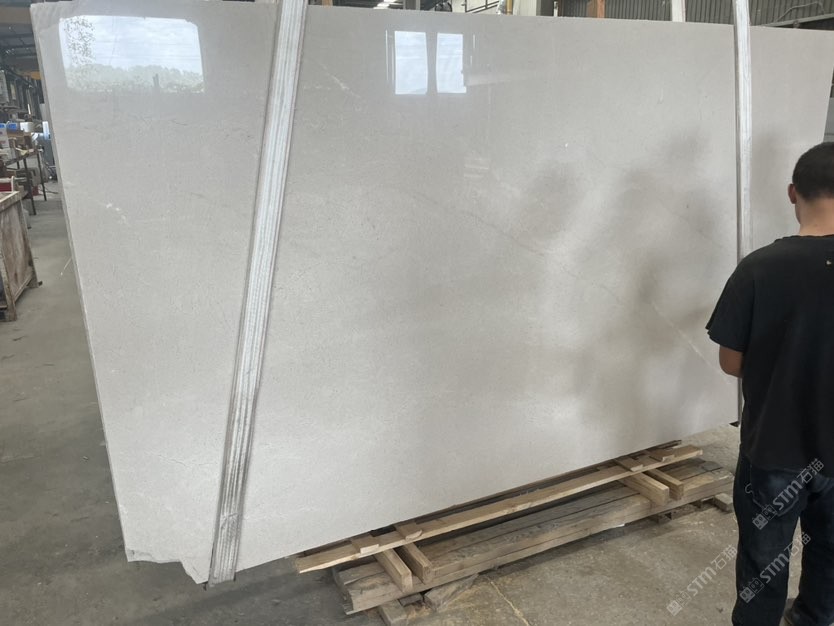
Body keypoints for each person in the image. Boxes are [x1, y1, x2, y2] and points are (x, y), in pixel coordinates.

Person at [707, 142, 834, 626]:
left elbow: (730, 362)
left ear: (792, 193)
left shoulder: (758, 268)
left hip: (774, 450)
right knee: (830, 552)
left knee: (764, 562)